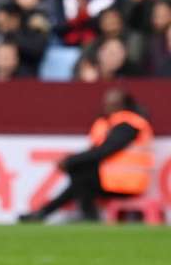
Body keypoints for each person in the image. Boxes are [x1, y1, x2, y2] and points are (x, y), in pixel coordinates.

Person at [19, 89, 154, 222]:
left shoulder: (128, 125)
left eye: (113, 104)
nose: (107, 107)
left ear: (124, 105)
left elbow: (105, 150)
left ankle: (86, 215)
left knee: (80, 175)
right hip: (115, 180)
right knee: (79, 177)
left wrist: (71, 160)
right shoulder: (116, 124)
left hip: (127, 183)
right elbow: (98, 151)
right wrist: (73, 161)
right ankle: (46, 213)